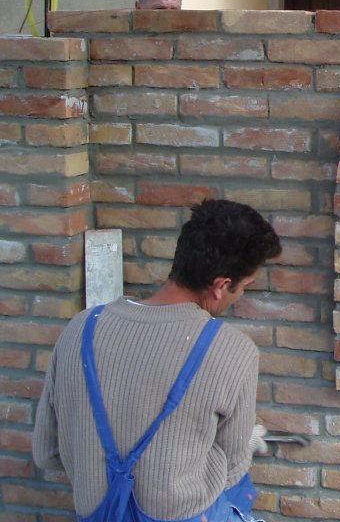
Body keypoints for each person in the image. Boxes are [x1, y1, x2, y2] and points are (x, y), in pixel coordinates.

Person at [32, 199, 282, 522]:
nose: (242, 295)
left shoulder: (79, 330)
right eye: (244, 287)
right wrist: (242, 443)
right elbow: (233, 468)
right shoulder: (232, 349)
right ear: (220, 286)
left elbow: (47, 454)